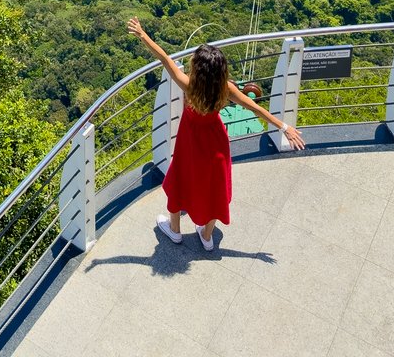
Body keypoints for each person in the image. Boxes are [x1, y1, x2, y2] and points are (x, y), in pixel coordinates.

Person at [128, 17, 305, 251]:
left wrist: (142, 34)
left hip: (190, 141)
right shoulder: (226, 89)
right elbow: (256, 108)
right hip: (216, 143)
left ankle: (175, 230)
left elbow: (163, 57)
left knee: (179, 179)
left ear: (198, 69)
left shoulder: (188, 85)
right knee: (215, 187)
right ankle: (207, 236)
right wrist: (284, 127)